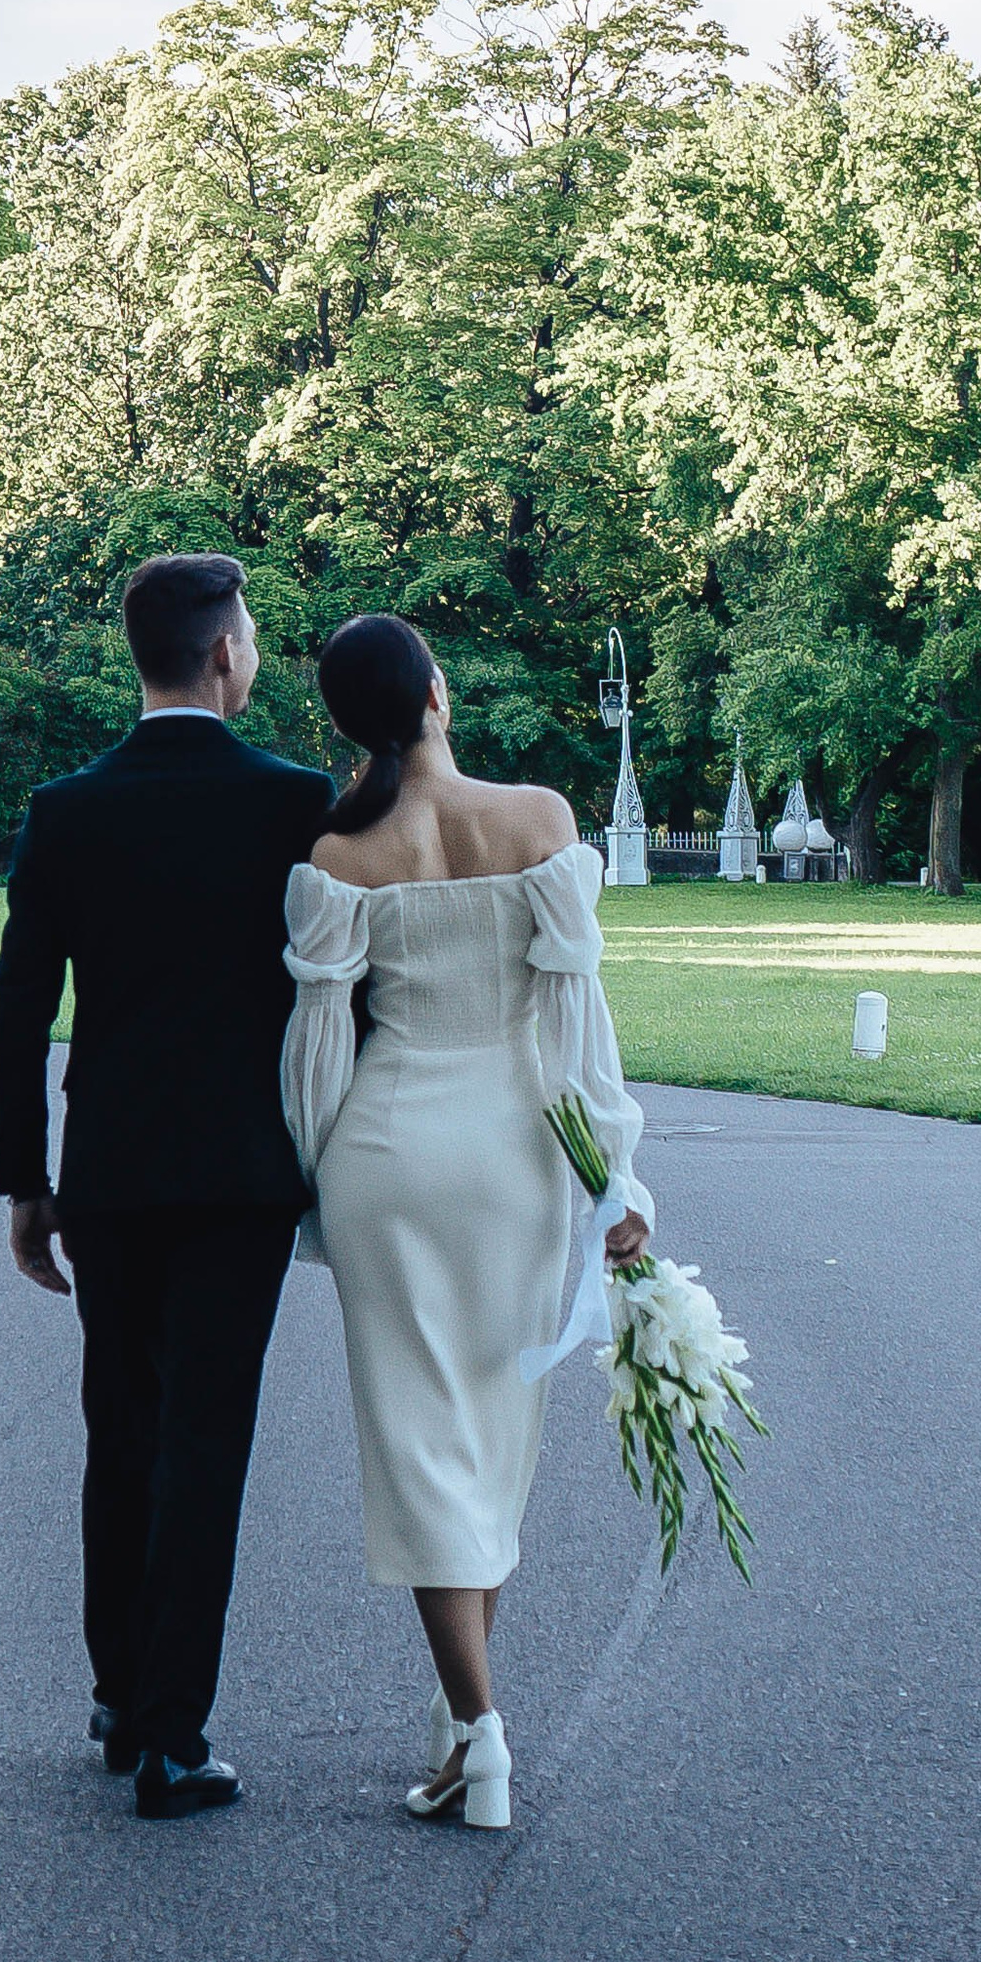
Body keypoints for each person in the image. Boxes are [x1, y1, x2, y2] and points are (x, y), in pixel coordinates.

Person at [280, 613, 652, 1832]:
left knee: (419, 1446)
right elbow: (577, 1030)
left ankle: (471, 1735)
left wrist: (313, 1183)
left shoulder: (336, 855)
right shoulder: (538, 821)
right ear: (437, 693)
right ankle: (467, 1729)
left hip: (386, 1155)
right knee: (491, 1439)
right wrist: (619, 1178)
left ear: (345, 723)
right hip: (515, 1158)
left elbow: (318, 1050)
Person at [0, 553, 331, 1820]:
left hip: (113, 1169)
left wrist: (24, 1178)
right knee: (204, 1445)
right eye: (248, 637)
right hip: (240, 1173)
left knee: (118, 1431)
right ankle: (174, 1738)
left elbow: (19, 1006)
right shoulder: (294, 802)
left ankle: (123, 1695)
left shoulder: (68, 807)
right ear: (226, 654)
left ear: (143, 658)